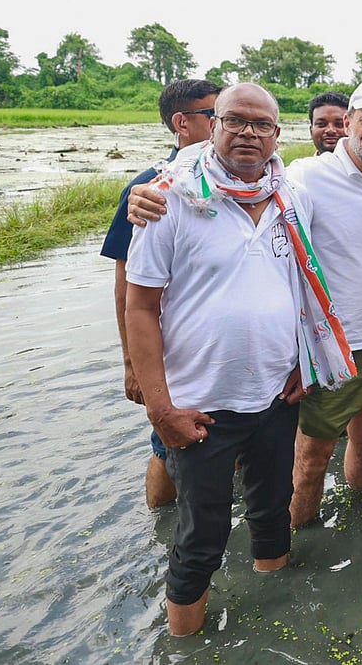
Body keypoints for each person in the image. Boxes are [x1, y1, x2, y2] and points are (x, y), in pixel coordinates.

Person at [126, 82, 350, 636]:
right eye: (236, 121)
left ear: (278, 134)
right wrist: (161, 409)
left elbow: (298, 286)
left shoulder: (289, 197)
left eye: (261, 125)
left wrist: (302, 362)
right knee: (201, 537)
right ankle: (185, 644)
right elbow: (140, 306)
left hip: (275, 394)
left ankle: (277, 620)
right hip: (200, 406)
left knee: (272, 513)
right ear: (213, 125)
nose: (249, 133)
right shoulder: (170, 196)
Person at [101, 77, 221, 509]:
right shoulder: (150, 187)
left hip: (221, 351)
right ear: (182, 123)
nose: (227, 126)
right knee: (169, 445)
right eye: (215, 116)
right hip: (175, 353)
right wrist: (132, 364)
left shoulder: (237, 178)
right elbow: (125, 286)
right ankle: (160, 523)